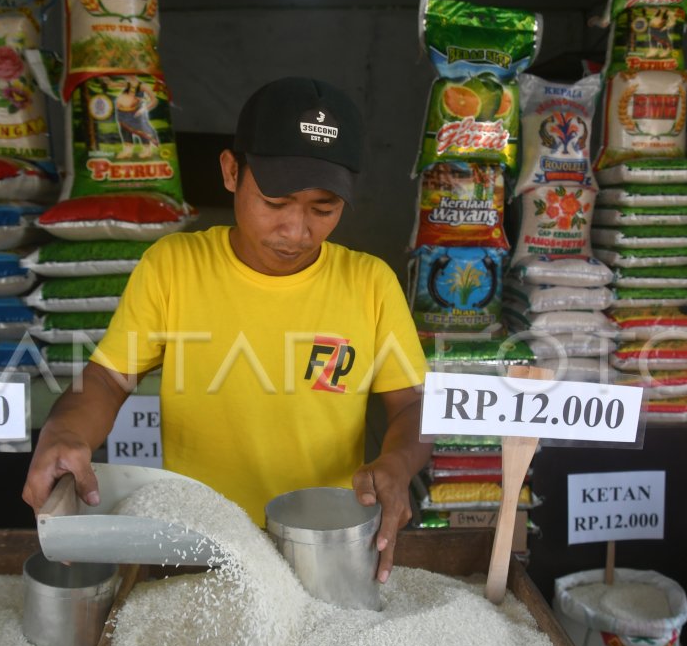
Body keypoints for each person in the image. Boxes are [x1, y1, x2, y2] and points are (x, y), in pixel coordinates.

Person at [21, 76, 431, 583]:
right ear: (231, 171)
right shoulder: (174, 267)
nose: (296, 231)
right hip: (197, 546)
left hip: (322, 547)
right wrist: (65, 432)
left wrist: (397, 463)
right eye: (277, 203)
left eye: (323, 209)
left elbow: (412, 405)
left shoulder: (370, 284)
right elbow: (107, 380)